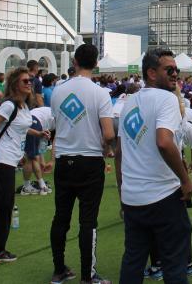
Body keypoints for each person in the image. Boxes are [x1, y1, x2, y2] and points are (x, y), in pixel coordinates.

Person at [116, 49, 192, 283]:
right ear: (151, 73)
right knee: (174, 262)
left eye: (176, 70)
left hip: (133, 198)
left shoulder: (129, 103)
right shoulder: (167, 98)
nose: (175, 74)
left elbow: (119, 153)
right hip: (163, 196)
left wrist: (122, 192)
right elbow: (164, 141)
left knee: (133, 260)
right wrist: (185, 179)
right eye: (169, 70)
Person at [49, 43, 115, 284]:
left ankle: (59, 269)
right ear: (96, 63)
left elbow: (56, 125)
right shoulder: (100, 93)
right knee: (88, 221)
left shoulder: (58, 91)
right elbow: (108, 133)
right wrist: (108, 148)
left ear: (75, 62)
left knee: (61, 218)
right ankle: (88, 275)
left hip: (64, 160)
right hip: (90, 161)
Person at [0, 67, 36, 265]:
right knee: (5, 207)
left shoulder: (23, 106)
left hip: (10, 160)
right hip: (1, 160)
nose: (29, 83)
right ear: (14, 84)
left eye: (30, 80)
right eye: (25, 81)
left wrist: (22, 152)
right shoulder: (9, 105)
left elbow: (19, 131)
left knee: (5, 206)